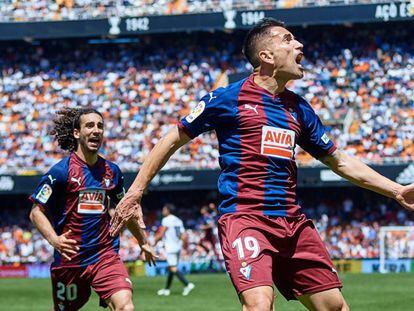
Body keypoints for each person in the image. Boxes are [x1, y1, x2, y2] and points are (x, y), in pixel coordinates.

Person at [110, 18, 414, 311]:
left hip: (293, 223)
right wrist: (136, 191)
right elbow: (171, 138)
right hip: (246, 219)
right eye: (288, 39)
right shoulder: (227, 98)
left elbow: (340, 161)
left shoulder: (299, 108)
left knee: (334, 306)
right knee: (259, 304)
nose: (299, 44)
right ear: (266, 56)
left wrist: (396, 190)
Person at [29, 108, 156, 311]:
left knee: (126, 307)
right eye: (90, 125)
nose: (96, 130)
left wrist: (143, 242)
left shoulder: (112, 172)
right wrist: (55, 240)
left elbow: (126, 211)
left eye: (100, 126)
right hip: (71, 259)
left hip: (104, 255)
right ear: (76, 133)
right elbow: (36, 212)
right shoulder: (60, 172)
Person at [154, 203, 195, 296]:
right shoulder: (178, 220)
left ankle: (187, 284)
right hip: (177, 246)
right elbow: (183, 235)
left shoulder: (166, 220)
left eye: (164, 209)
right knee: (171, 268)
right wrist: (184, 246)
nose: (163, 211)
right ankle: (166, 289)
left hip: (170, 246)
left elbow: (161, 233)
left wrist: (154, 241)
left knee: (172, 268)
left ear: (168, 210)